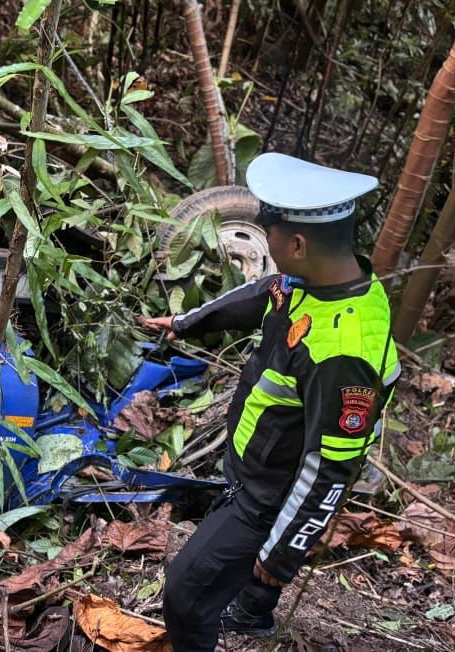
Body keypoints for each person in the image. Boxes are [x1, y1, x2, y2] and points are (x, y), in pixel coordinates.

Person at [139, 153, 399, 652]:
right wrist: (187, 323)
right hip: (263, 459)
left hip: (268, 495)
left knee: (186, 597)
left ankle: (240, 607)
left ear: (298, 244)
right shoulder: (316, 280)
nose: (266, 244)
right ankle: (253, 611)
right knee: (245, 574)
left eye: (270, 235)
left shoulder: (343, 353)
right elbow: (265, 293)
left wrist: (283, 552)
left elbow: (332, 466)